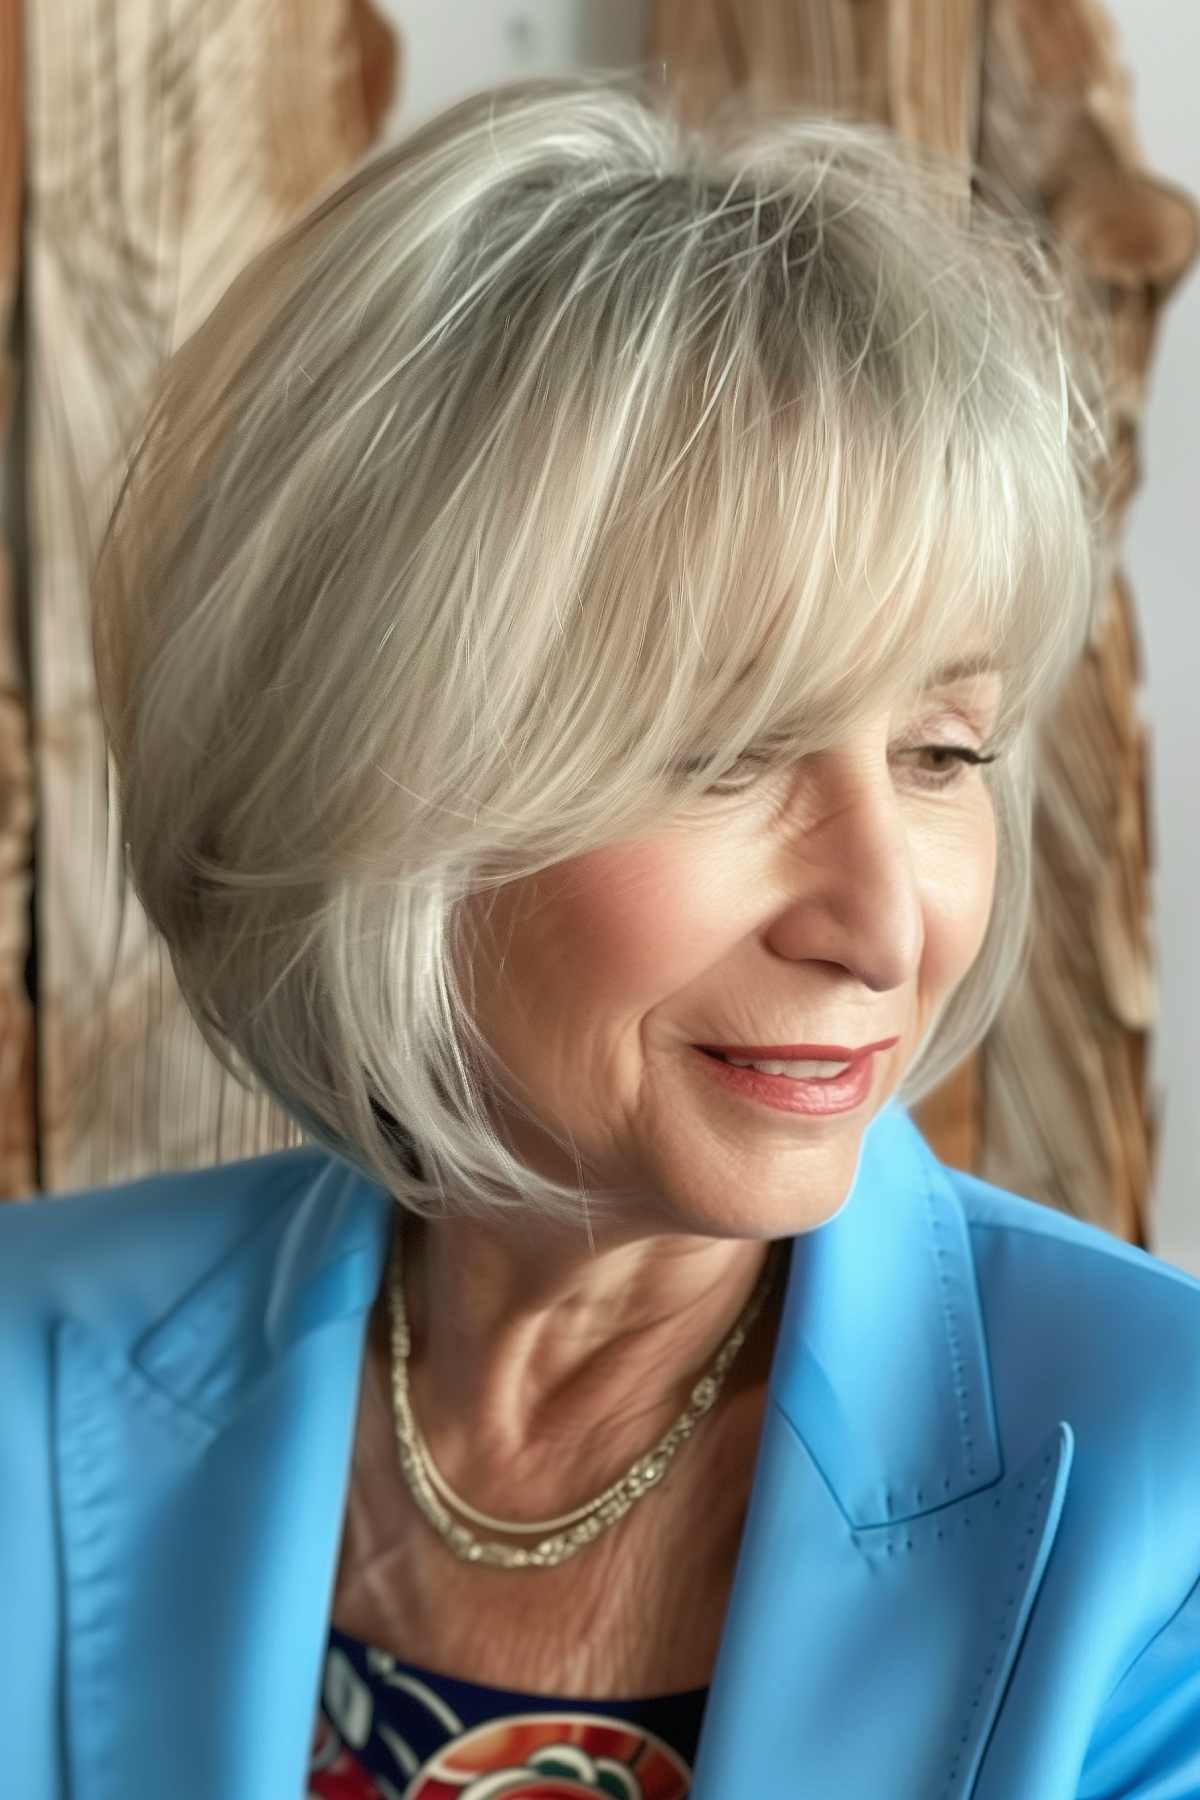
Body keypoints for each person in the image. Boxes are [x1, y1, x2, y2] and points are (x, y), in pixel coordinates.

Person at [3, 70, 1199, 1800]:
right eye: (724, 754)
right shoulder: (28, 1374)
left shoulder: (1163, 1495)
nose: (883, 923)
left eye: (942, 754)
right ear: (368, 772)